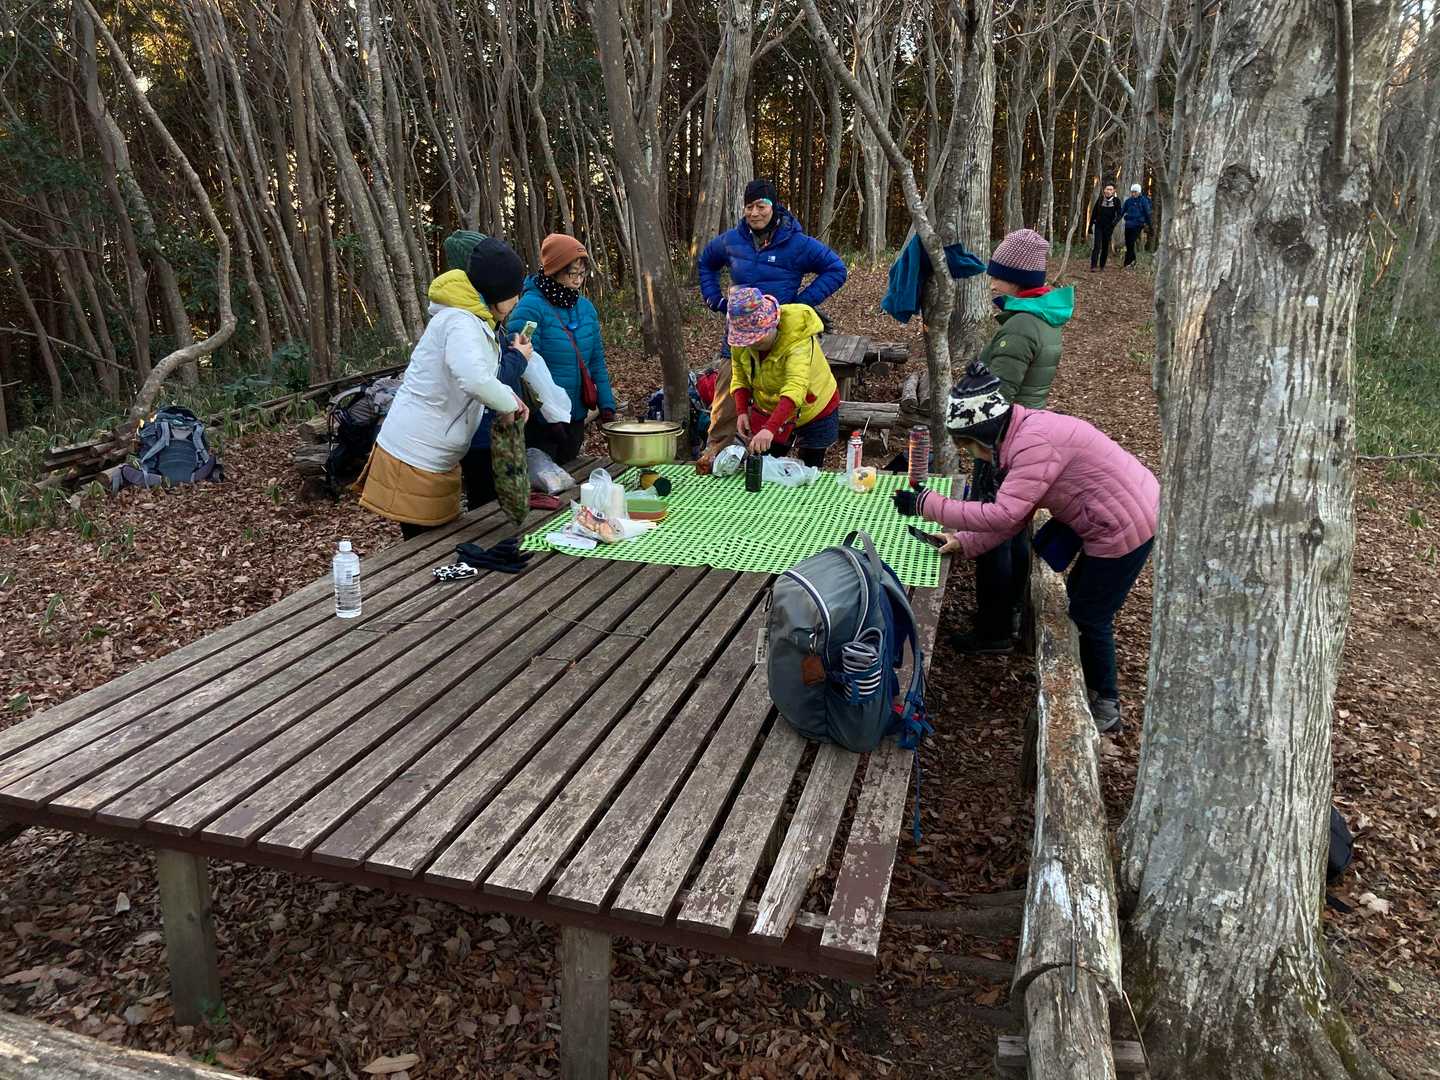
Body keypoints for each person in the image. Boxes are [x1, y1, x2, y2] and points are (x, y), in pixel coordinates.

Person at [891, 362, 1159, 731]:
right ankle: (1085, 678)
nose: (971, 454)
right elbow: (1013, 518)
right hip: (1109, 510)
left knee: (1091, 615)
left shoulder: (1033, 445)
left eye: (967, 445)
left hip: (1125, 522)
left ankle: (1106, 703)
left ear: (985, 434)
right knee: (1080, 599)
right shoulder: (1021, 435)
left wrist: (926, 504)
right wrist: (962, 540)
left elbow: (1004, 514)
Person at [358, 236, 530, 538]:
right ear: (495, 290)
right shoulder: (460, 322)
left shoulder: (475, 321)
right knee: (425, 549)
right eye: (513, 293)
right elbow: (474, 380)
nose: (517, 300)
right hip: (416, 455)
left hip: (437, 457)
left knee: (440, 543)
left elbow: (481, 376)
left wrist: (509, 397)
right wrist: (508, 403)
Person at [958, 228, 1075, 652]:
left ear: (1018, 278)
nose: (991, 280)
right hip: (1026, 435)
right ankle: (1009, 613)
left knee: (994, 531)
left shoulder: (1022, 326)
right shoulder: (1041, 316)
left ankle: (992, 630)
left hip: (1003, 443)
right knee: (1014, 529)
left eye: (998, 274)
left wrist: (969, 427)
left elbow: (996, 398)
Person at [510, 233, 616, 466]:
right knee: (543, 479)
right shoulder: (530, 308)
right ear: (554, 270)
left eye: (582, 273)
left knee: (571, 475)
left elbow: (596, 361)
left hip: (575, 415)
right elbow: (522, 367)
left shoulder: (586, 309)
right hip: (541, 423)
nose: (578, 280)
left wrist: (606, 405)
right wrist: (547, 414)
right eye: (572, 273)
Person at [726, 286, 839, 467]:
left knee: (810, 467)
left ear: (773, 323)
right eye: (748, 339)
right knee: (765, 463)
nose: (753, 343)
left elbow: (796, 386)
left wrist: (770, 428)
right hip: (771, 407)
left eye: (758, 336)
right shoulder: (741, 342)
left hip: (815, 407)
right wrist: (741, 411)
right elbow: (739, 375)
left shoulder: (798, 339)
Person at [698, 180, 848, 315]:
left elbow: (836, 269)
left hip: (781, 331)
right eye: (749, 207)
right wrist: (716, 300)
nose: (754, 213)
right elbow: (706, 262)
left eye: (761, 206)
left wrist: (800, 305)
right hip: (739, 332)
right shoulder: (731, 240)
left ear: (773, 207)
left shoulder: (797, 243)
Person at [1089, 181, 1122, 272]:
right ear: (1104, 190)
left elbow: (1119, 214)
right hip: (1099, 225)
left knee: (1105, 246)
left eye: (1110, 189)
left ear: (1114, 191)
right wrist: (1090, 226)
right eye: (1107, 189)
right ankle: (1093, 266)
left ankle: (1102, 266)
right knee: (1097, 245)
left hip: (1109, 227)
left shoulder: (1116, 201)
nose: (1108, 191)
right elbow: (1094, 213)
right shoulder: (1100, 199)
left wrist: (1114, 223)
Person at [1122, 183, 1152, 268]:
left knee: (1131, 242)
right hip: (1128, 224)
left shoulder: (1143, 201)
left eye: (1135, 192)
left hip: (1138, 224)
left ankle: (1128, 262)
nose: (1133, 193)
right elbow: (1122, 211)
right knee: (1128, 243)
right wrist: (1114, 222)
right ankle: (1131, 260)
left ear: (1139, 192)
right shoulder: (1128, 201)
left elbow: (1147, 214)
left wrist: (1150, 226)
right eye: (1132, 192)